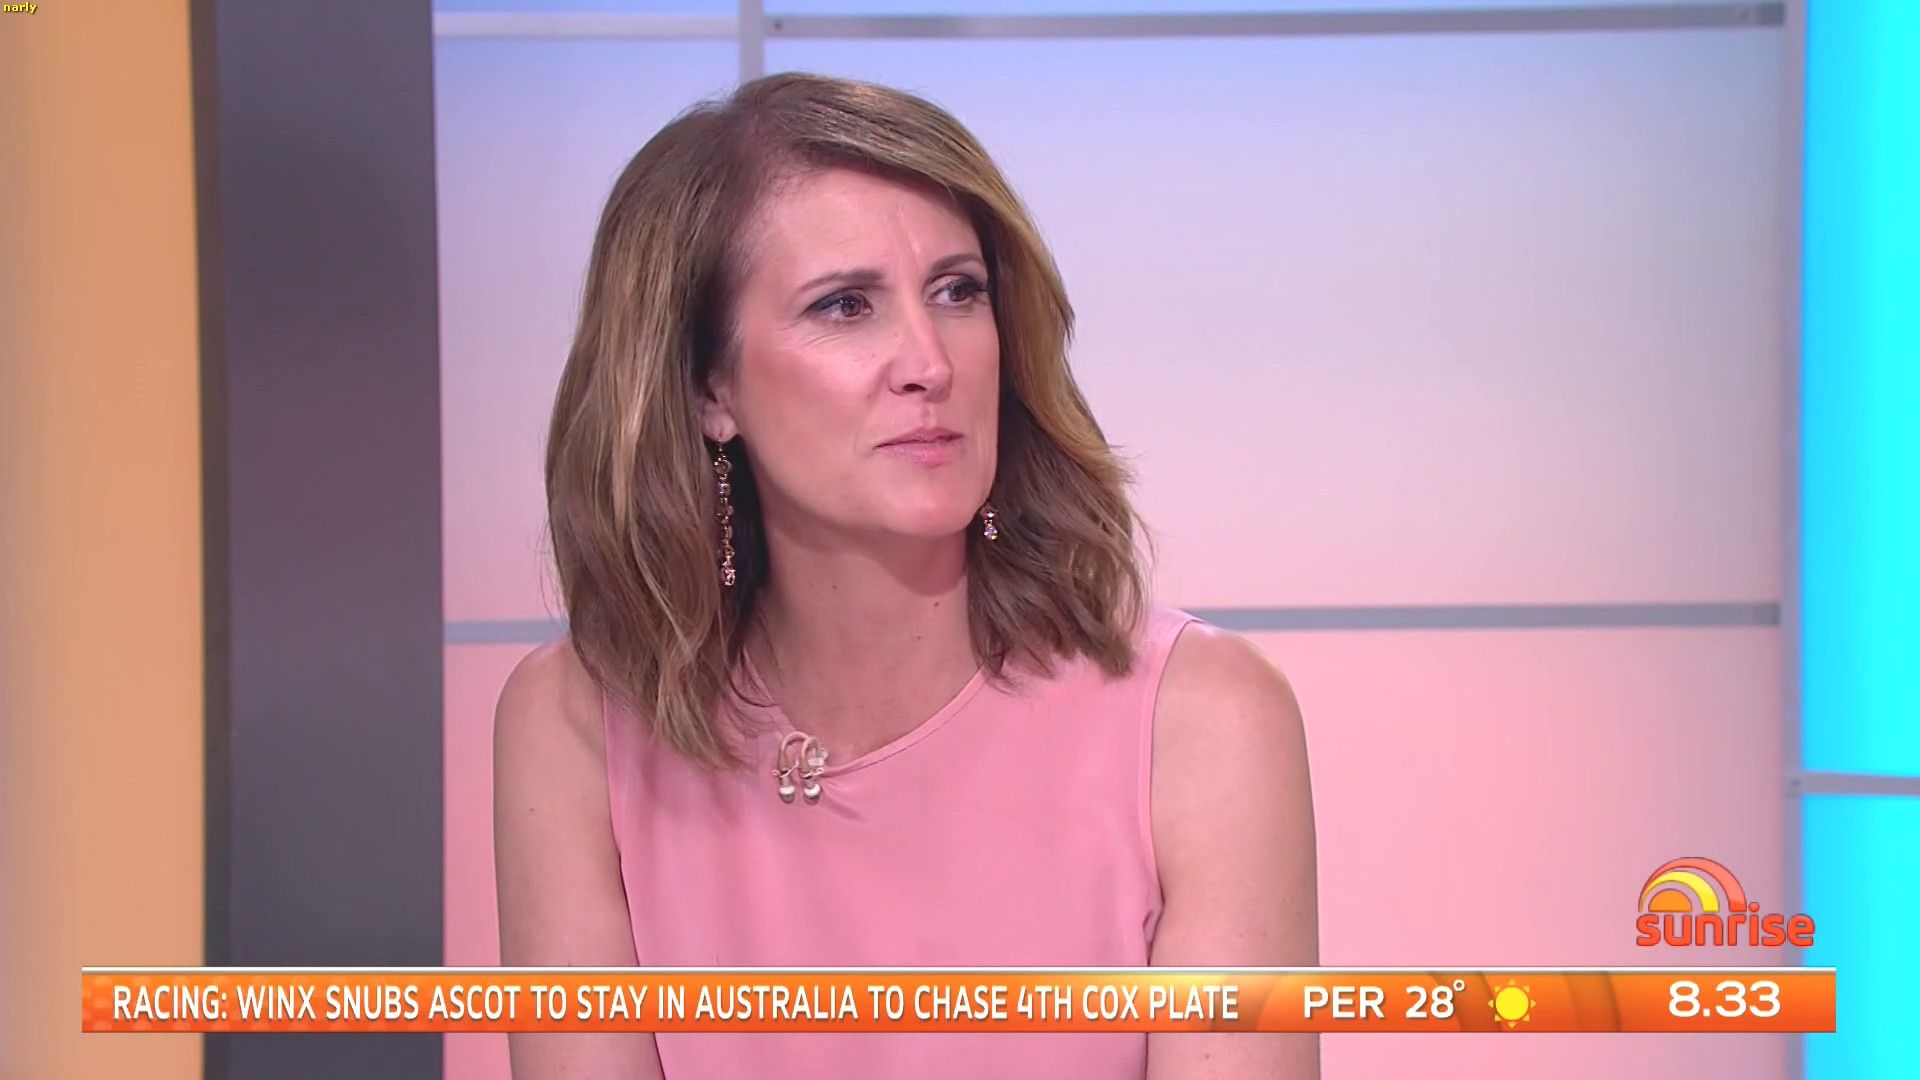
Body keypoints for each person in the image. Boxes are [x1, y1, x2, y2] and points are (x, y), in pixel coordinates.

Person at [493, 71, 1317, 1079]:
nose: (930, 360)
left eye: (958, 292)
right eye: (846, 306)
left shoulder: (1201, 722)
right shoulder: (577, 724)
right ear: (710, 387)